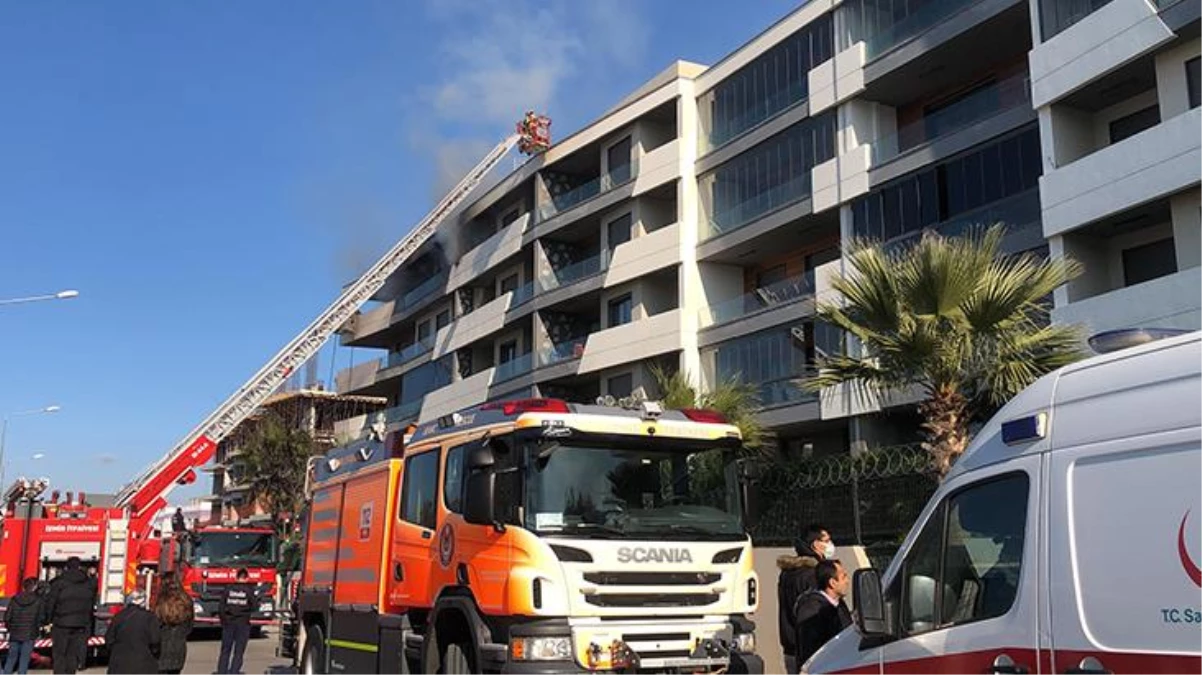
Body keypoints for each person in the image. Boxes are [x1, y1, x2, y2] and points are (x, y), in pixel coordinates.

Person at [777, 524, 834, 675]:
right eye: (827, 540)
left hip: (790, 647)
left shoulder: (787, 574)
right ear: (816, 544)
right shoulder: (813, 575)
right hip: (811, 650)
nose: (830, 545)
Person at [793, 560, 853, 665]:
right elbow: (810, 650)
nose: (847, 581)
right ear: (832, 583)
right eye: (844, 577)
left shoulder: (840, 605)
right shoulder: (812, 609)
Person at [47, 557, 97, 675]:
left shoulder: (58, 583)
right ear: (79, 567)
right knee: (72, 654)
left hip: (61, 622)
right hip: (81, 623)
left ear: (66, 567)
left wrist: (47, 620)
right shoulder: (88, 583)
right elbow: (91, 603)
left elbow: (51, 602)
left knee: (59, 654)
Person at [104, 591, 161, 675]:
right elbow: (155, 641)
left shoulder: (118, 616)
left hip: (119, 665)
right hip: (143, 665)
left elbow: (109, 639)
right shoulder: (150, 618)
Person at [216, 568, 257, 675]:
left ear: (236, 577)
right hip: (243, 623)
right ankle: (234, 672)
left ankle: (221, 672)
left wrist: (224, 620)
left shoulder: (228, 588)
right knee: (238, 652)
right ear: (246, 578)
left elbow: (221, 607)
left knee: (225, 650)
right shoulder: (249, 590)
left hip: (228, 623)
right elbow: (255, 606)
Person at [3, 578, 46, 675]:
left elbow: (7, 617)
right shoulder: (38, 601)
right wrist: (37, 628)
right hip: (29, 634)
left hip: (15, 633)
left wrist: (10, 628)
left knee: (11, 659)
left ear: (23, 587)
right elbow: (41, 618)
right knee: (24, 660)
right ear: (34, 587)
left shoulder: (14, 599)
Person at [154, 573, 194, 675]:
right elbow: (189, 626)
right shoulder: (186, 600)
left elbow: (154, 625)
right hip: (178, 648)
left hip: (161, 649)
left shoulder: (160, 601)